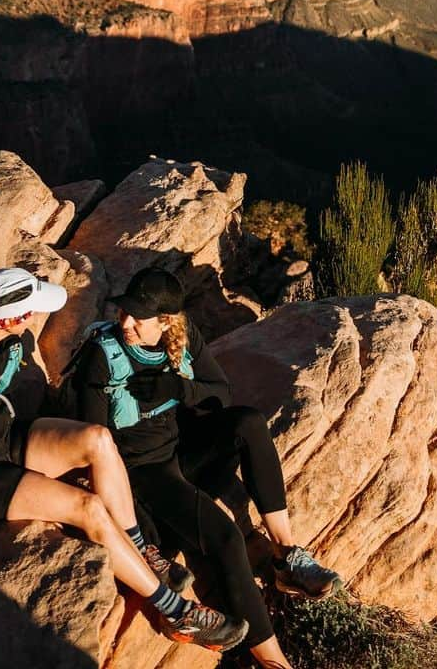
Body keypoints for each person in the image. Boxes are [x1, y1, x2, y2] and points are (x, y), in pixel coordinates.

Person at [0, 266, 250, 653]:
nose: (38, 317)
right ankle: (178, 613)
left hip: (1, 439)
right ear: (13, 318)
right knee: (88, 508)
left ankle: (141, 550)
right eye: (33, 310)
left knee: (98, 439)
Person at [70, 268, 343, 669]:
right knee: (227, 538)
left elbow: (220, 393)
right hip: (145, 473)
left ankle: (286, 556)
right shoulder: (102, 356)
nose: (125, 323)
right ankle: (275, 664)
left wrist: (179, 389)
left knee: (248, 423)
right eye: (124, 312)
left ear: (165, 321)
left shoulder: (180, 337)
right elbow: (91, 442)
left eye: (138, 318)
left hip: (182, 450)